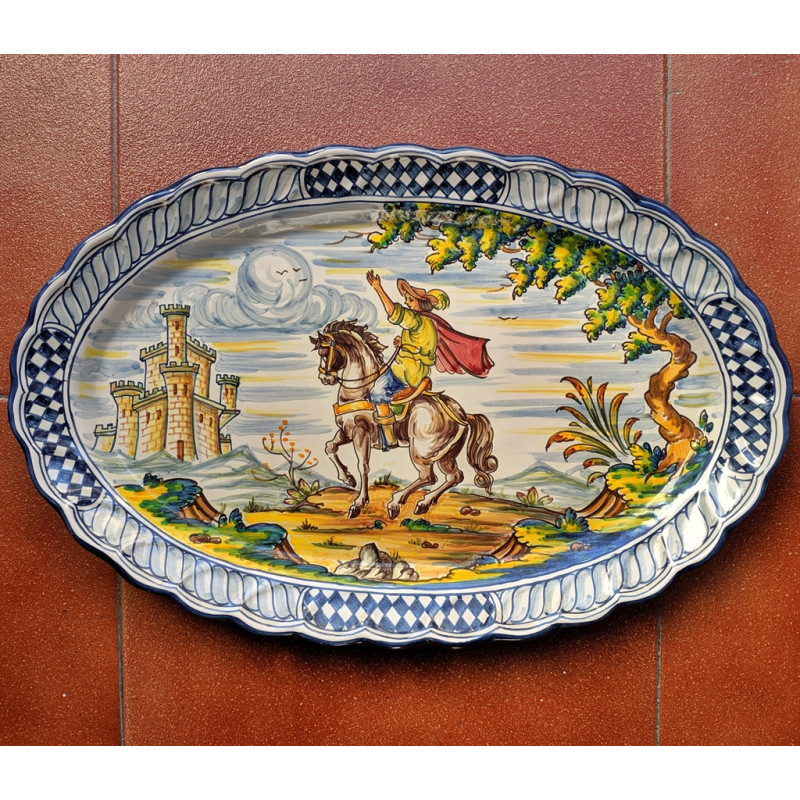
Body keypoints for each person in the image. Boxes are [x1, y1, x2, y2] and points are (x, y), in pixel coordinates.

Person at [366, 270, 494, 449]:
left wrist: (378, 288)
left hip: (405, 371)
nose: (407, 302)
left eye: (410, 300)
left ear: (421, 303)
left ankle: (390, 439)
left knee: (376, 393)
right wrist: (403, 342)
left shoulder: (417, 320)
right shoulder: (430, 323)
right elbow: (423, 345)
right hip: (417, 371)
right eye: (407, 299)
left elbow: (394, 313)